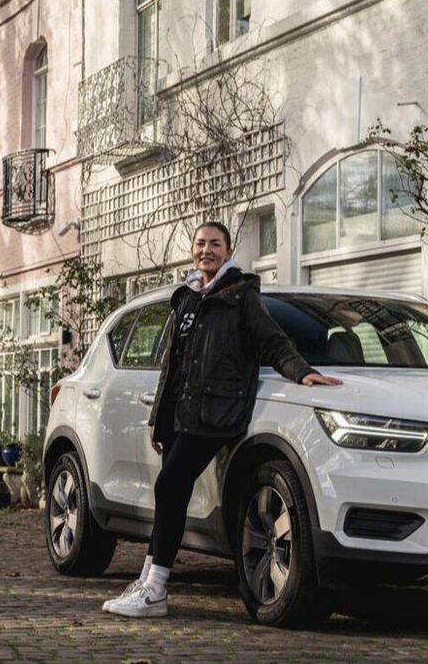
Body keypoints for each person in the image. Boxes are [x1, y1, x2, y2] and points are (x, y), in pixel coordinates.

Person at [104, 221, 341, 618]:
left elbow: (271, 340)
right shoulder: (187, 297)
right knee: (170, 495)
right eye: (200, 243)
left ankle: (157, 589)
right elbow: (173, 364)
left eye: (215, 244)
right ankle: (148, 581)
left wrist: (301, 371)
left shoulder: (241, 296)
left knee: (169, 485)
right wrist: (159, 417)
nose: (206, 250)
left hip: (216, 412)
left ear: (228, 252)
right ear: (192, 250)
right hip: (181, 413)